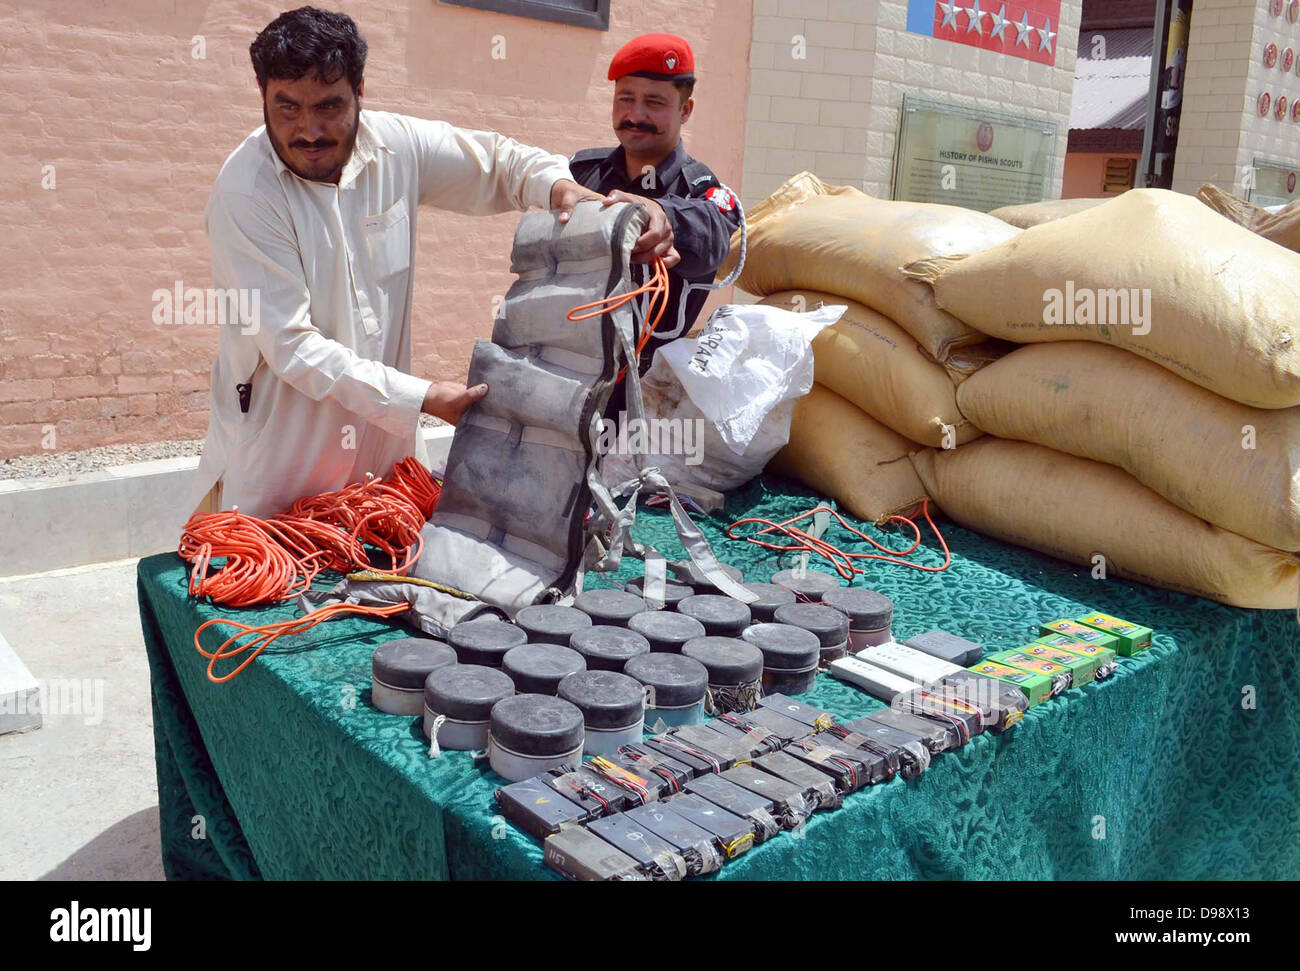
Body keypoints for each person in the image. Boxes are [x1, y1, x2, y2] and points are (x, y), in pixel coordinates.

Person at [189, 6, 603, 519]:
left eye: (328, 106)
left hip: (385, 462)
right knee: (290, 585)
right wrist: (425, 397)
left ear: (360, 91)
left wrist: (559, 188)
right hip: (280, 465)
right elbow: (292, 347)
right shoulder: (245, 192)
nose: (309, 130)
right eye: (287, 107)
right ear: (263, 95)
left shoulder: (394, 146)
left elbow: (500, 163)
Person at [568, 33, 742, 425]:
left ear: (686, 110)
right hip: (567, 376)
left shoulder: (705, 193)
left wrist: (659, 215)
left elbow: (711, 234)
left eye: (655, 102)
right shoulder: (582, 174)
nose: (636, 114)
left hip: (647, 401)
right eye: (625, 98)